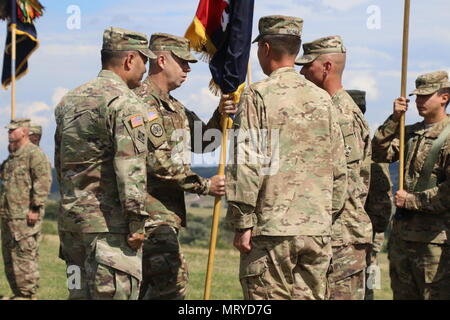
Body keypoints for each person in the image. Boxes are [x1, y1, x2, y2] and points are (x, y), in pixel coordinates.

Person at [225, 16, 347, 300]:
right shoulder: (323, 99)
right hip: (316, 230)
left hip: (272, 232)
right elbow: (339, 169)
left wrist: (243, 222)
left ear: (265, 48)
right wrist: (325, 217)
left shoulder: (258, 94)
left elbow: (247, 162)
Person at [54, 27, 160, 300]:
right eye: (144, 61)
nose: (145, 70)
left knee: (78, 296)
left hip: (73, 228)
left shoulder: (69, 101)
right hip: (109, 231)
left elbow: (61, 164)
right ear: (129, 60)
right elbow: (131, 167)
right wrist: (137, 223)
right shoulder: (125, 103)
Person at [133, 32, 234, 300]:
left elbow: (204, 141)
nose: (188, 68)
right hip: (146, 217)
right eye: (183, 62)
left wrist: (220, 112)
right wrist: (204, 186)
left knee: (150, 289)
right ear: (163, 60)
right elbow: (158, 164)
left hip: (164, 217)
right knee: (171, 286)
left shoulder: (175, 107)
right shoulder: (141, 103)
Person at [297, 36, 372, 300]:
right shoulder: (330, 108)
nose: (302, 71)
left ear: (327, 67)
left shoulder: (341, 114)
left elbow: (344, 180)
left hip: (342, 236)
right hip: (334, 232)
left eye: (308, 66)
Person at [372, 70, 450, 300]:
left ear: (444, 97)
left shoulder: (447, 137)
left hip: (434, 243)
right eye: (417, 96)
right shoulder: (411, 132)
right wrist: (394, 119)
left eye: (426, 96)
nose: (419, 101)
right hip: (402, 239)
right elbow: (379, 152)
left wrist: (411, 200)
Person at [347, 90, 394, 300]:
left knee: (366, 282)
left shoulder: (371, 156)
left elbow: (381, 209)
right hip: (360, 232)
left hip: (365, 233)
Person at [0, 118, 52, 300]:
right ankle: (18, 293)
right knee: (9, 257)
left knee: (24, 255)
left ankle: (27, 294)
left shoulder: (33, 154)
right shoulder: (13, 156)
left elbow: (43, 181)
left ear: (23, 131)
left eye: (12, 130)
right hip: (8, 215)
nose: (8, 134)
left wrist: (35, 208)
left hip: (25, 216)